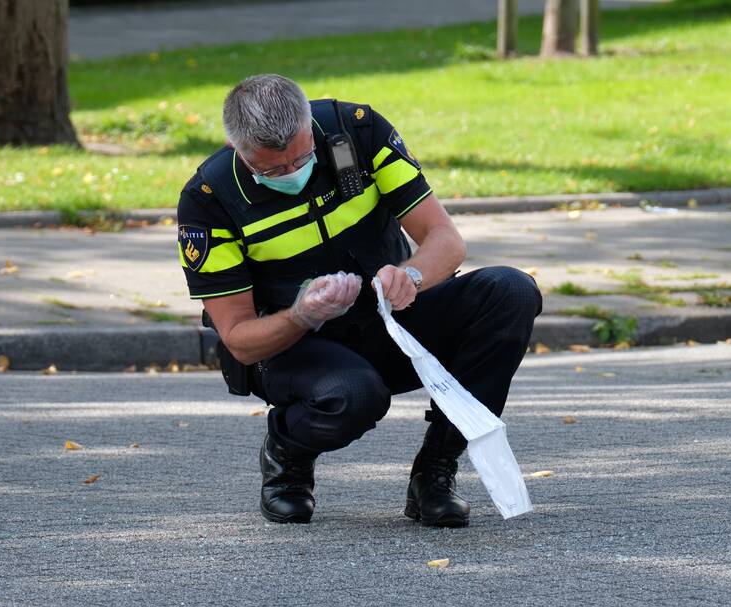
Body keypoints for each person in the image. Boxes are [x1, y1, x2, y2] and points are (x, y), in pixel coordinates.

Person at [177, 74, 541, 527]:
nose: (292, 173)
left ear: (311, 126)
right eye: (271, 170)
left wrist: (412, 275)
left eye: (302, 156)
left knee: (511, 292)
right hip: (295, 347)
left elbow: (445, 239)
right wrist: (300, 314)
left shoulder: (356, 131)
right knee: (354, 394)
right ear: (237, 150)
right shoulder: (209, 200)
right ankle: (287, 456)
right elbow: (239, 340)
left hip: (390, 319)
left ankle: (436, 470)